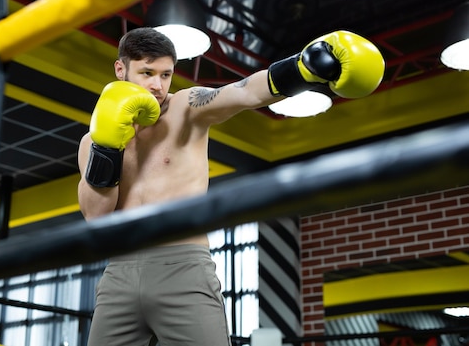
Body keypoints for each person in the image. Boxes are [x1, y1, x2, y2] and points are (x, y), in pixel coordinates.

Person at [77, 27, 384, 346]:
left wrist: (302, 69)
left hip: (183, 267)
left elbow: (244, 92)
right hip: (119, 274)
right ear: (120, 69)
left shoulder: (186, 107)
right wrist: (107, 147)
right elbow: (96, 218)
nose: (156, 85)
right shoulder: (92, 142)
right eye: (146, 73)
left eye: (166, 74)